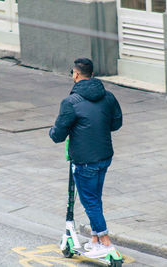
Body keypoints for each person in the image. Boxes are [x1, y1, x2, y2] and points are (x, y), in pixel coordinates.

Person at [49, 58, 122, 258]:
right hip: (104, 156)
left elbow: (58, 135)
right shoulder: (108, 96)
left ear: (76, 74)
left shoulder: (70, 102)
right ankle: (95, 240)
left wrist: (52, 131)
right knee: (95, 198)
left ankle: (105, 242)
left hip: (84, 160)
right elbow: (116, 123)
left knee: (90, 201)